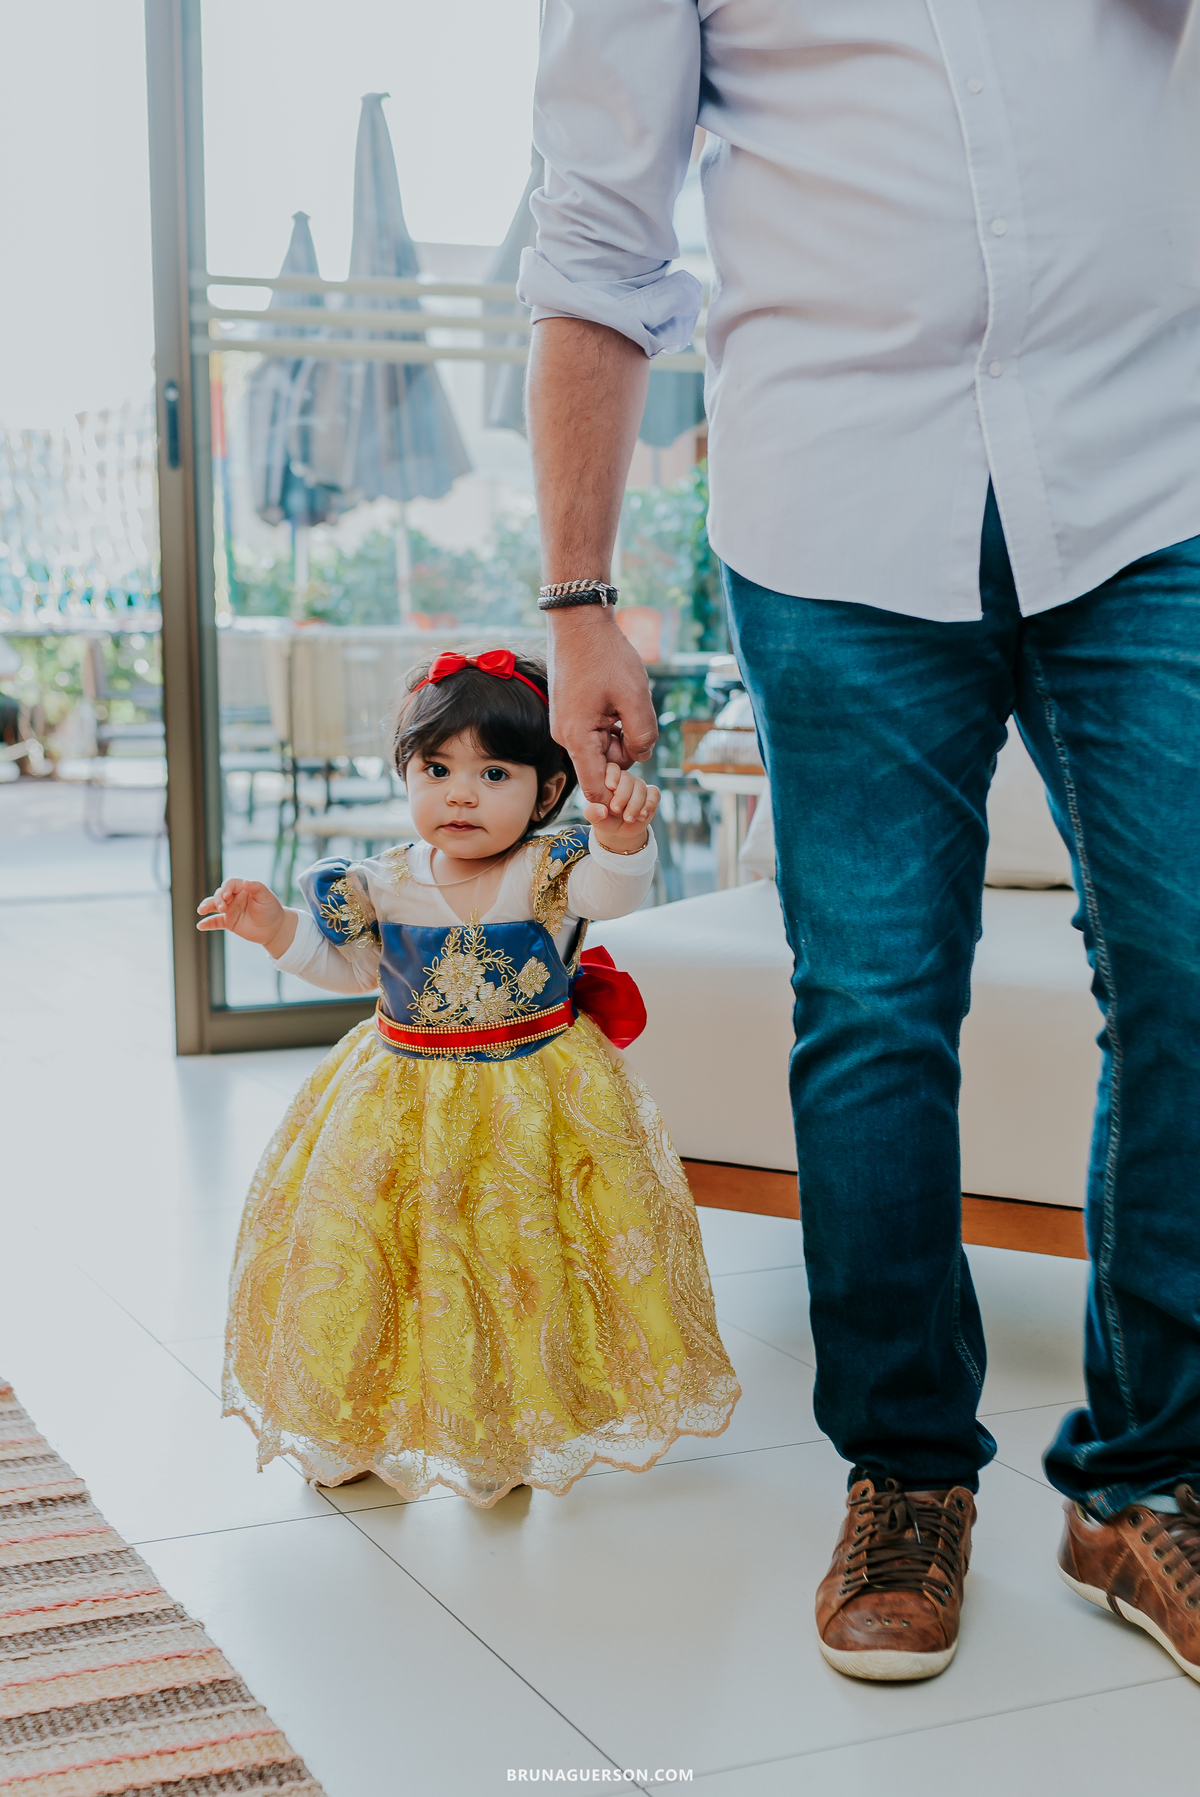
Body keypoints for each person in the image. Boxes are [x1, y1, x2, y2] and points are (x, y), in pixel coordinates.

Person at [518, 3, 1200, 1681]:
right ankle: (905, 1473)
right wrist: (580, 601)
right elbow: (599, 236)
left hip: (1148, 472)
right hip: (836, 503)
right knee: (876, 1003)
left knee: (1189, 965)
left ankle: (1148, 1481)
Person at [198, 649, 740, 1506]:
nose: (460, 793)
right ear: (406, 774)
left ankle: (497, 1424)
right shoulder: (383, 880)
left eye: (494, 772)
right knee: (375, 1256)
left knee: (512, 1260)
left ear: (547, 792)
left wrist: (624, 834)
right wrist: (275, 930)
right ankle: (348, 1417)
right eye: (436, 769)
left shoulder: (547, 870)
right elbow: (351, 969)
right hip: (400, 1095)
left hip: (529, 1099)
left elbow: (618, 886)